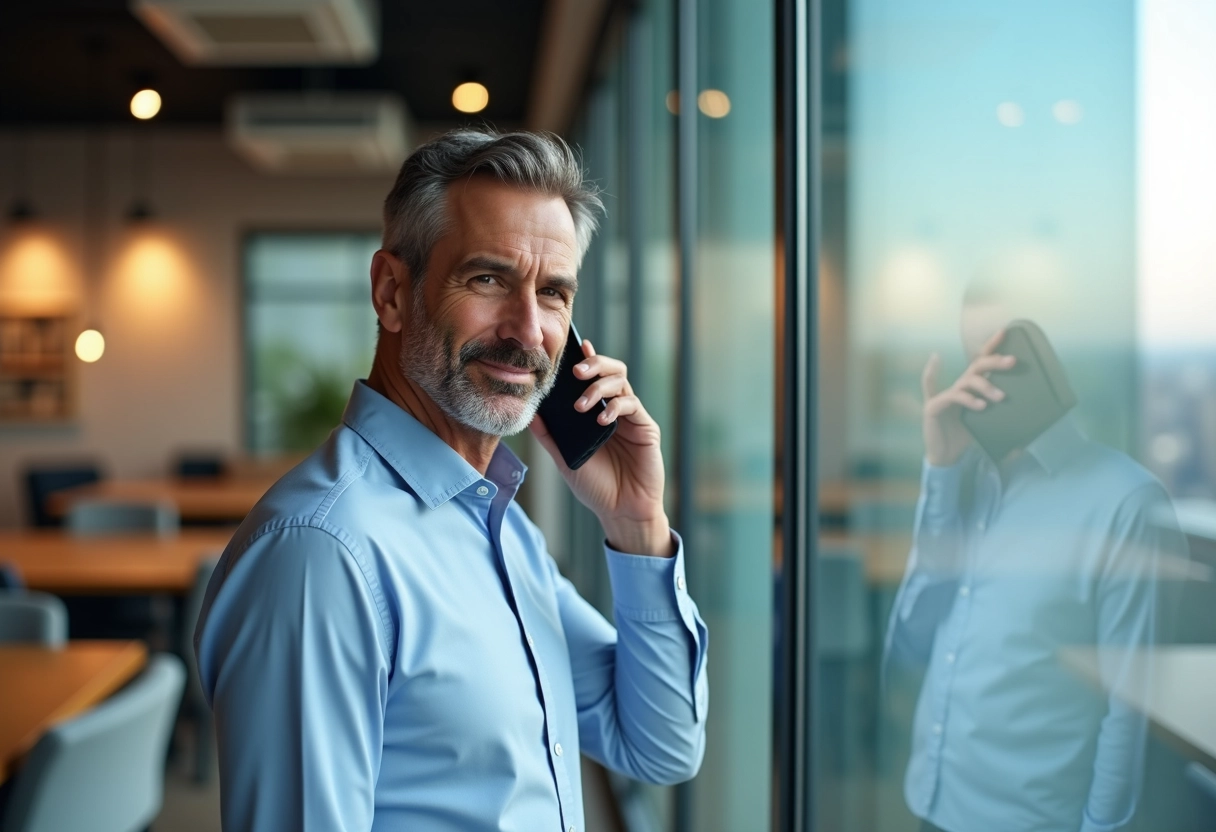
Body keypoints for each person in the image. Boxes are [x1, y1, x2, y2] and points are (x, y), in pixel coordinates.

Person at [195, 130, 708, 831]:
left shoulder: (498, 526)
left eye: (554, 293)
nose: (527, 331)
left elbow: (661, 745)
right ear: (392, 292)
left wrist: (637, 524)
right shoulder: (321, 555)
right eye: (488, 278)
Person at [885, 279, 1182, 832]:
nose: (983, 377)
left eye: (1005, 357)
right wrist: (941, 471)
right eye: (974, 357)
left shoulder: (1128, 503)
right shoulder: (964, 473)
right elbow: (910, 641)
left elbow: (1130, 711)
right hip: (932, 802)